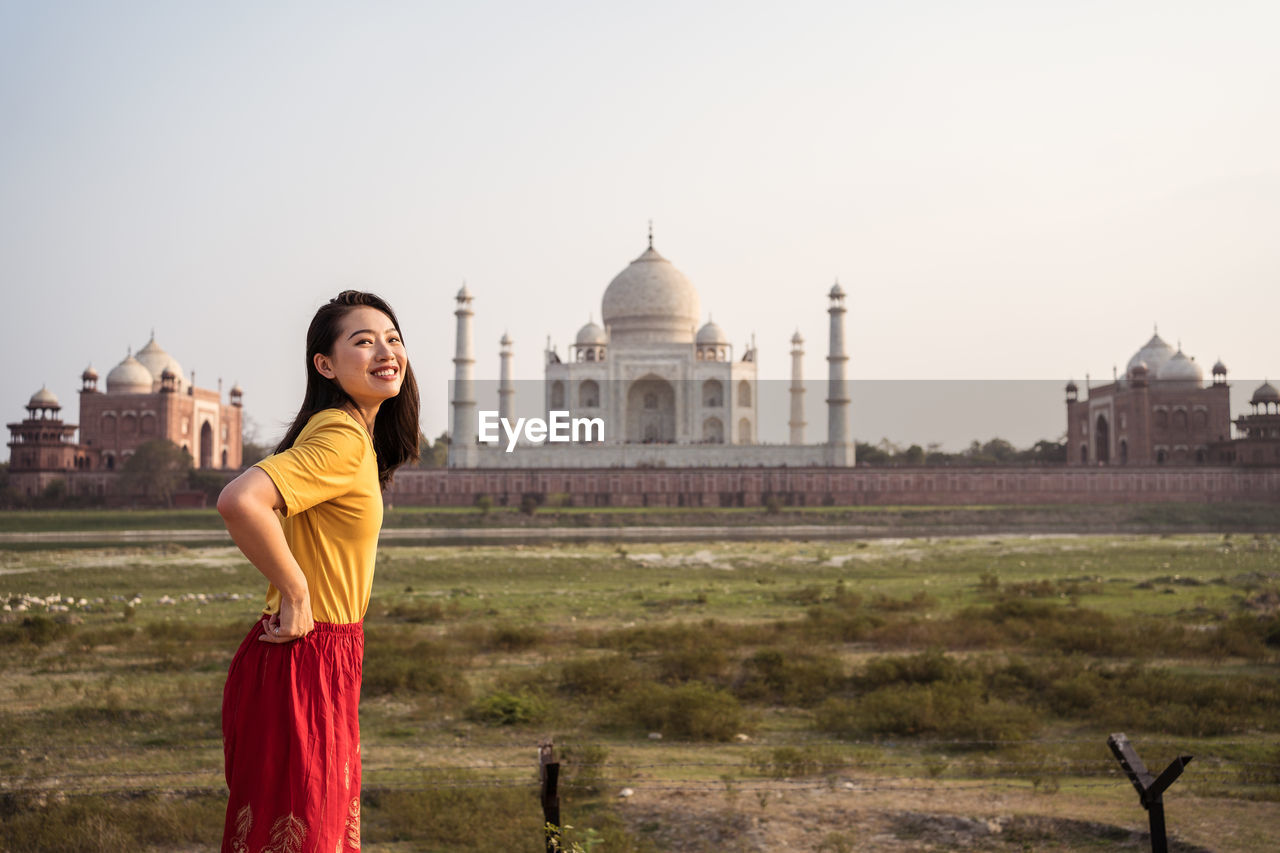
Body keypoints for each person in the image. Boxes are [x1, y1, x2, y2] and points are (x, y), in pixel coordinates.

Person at [217, 291, 419, 853]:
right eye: (363, 340)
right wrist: (297, 591)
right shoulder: (340, 436)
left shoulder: (345, 431)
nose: (386, 351)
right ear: (325, 365)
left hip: (311, 658)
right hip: (307, 657)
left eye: (393, 338)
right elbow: (241, 501)